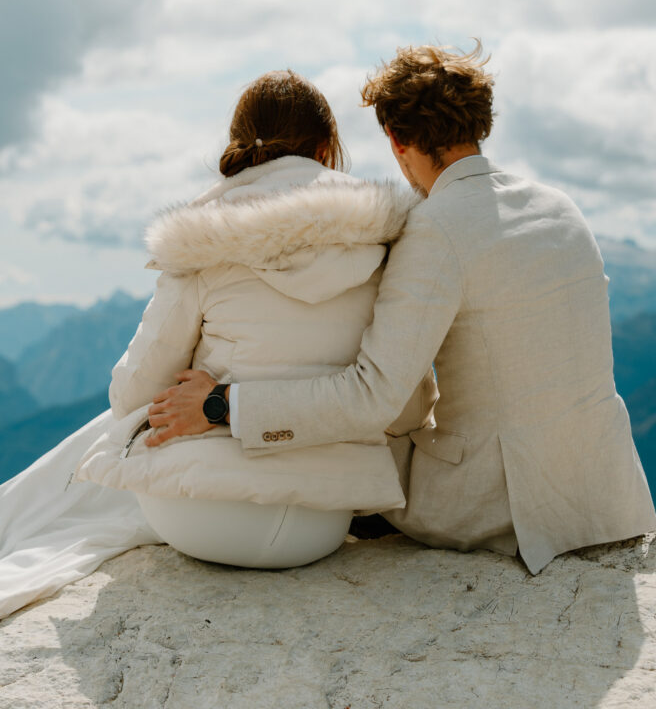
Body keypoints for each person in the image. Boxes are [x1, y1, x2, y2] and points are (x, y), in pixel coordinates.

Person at [195, 43, 656, 576]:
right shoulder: (561, 207)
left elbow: (371, 397)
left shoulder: (435, 228)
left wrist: (226, 404)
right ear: (479, 124)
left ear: (396, 140)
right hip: (602, 492)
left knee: (357, 431)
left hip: (499, 505)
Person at [0, 70, 432, 618]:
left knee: (115, 433)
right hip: (322, 520)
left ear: (241, 149)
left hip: (202, 518)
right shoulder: (385, 244)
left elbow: (130, 393)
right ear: (326, 149)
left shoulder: (204, 237)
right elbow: (408, 406)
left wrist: (212, 402)